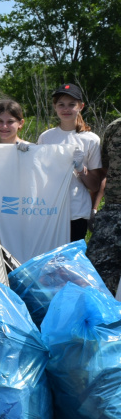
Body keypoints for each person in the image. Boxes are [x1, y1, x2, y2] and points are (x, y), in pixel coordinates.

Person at [37, 83, 102, 242]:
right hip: (49, 209)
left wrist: (81, 168)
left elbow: (95, 185)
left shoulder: (91, 139)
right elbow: (37, 175)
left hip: (76, 211)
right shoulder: (45, 137)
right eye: (61, 104)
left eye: (71, 104)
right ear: (55, 107)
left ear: (81, 106)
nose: (66, 109)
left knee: (71, 259)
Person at [86, 115, 121, 294]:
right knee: (95, 276)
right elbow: (105, 173)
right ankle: (104, 321)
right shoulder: (114, 128)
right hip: (112, 212)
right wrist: (95, 208)